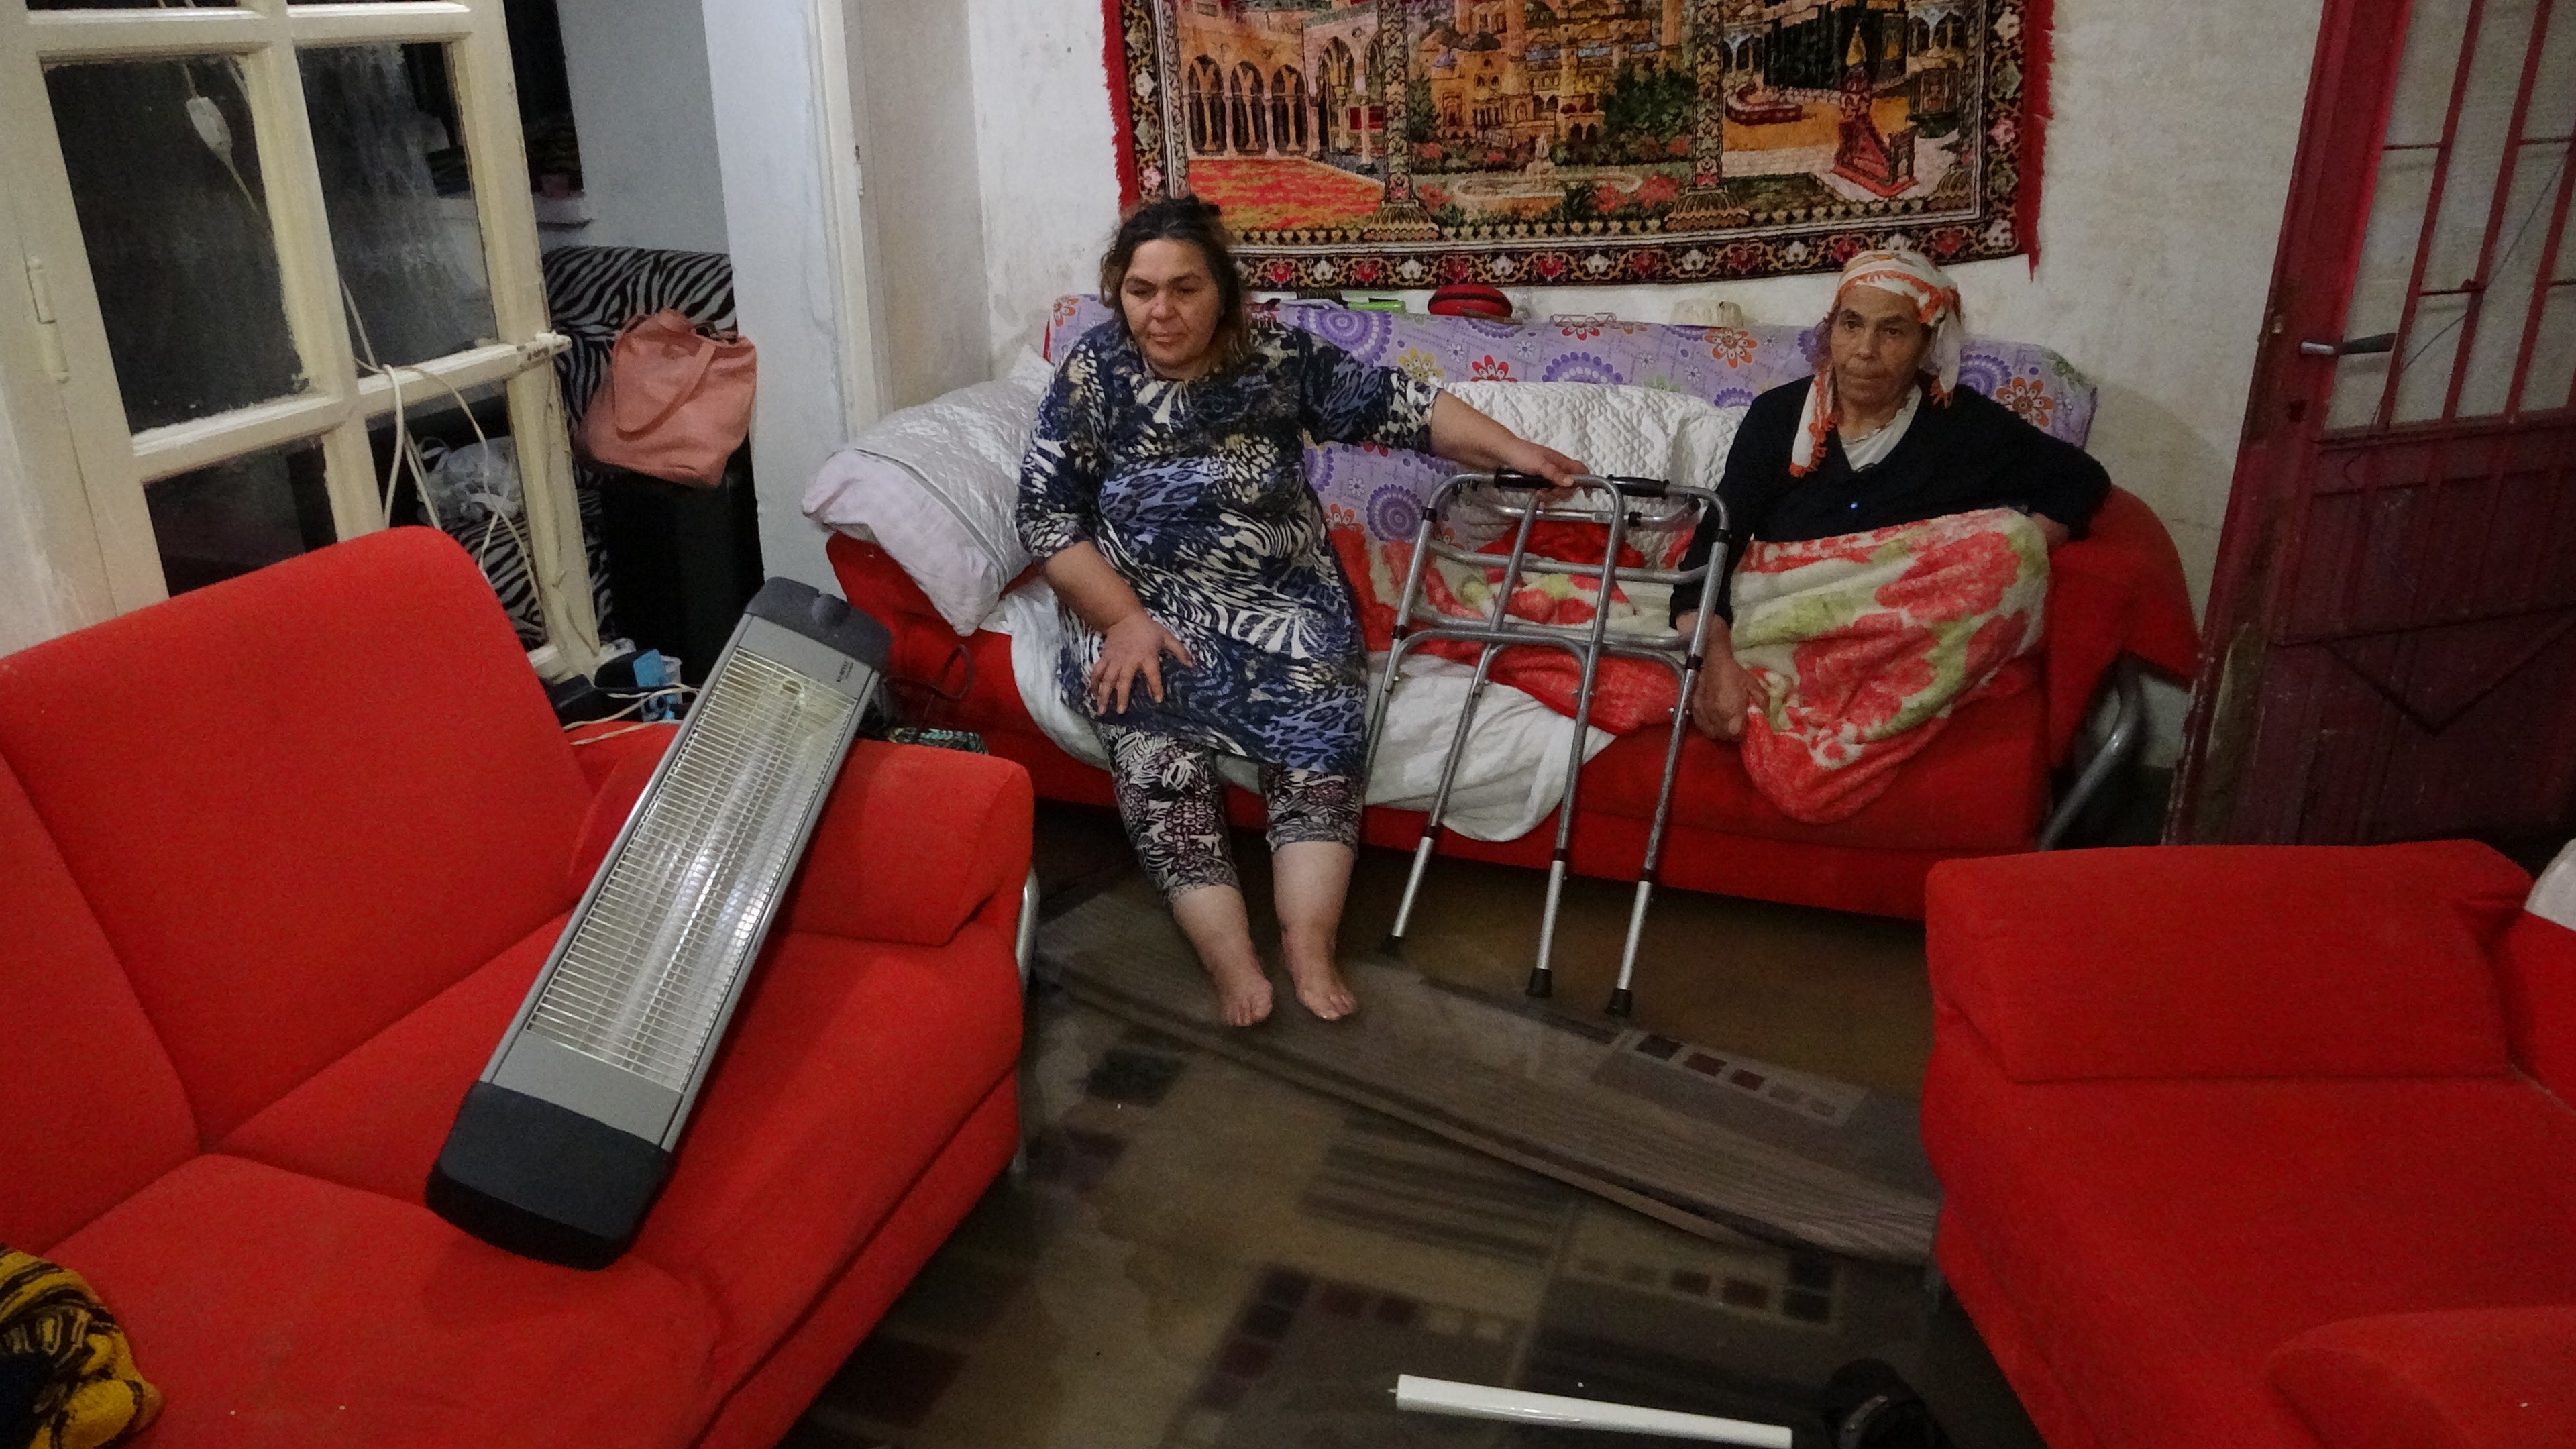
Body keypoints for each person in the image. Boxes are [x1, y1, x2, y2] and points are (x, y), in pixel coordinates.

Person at [1016, 196, 1587, 1027]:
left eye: (1184, 288)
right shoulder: (1094, 373)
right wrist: (1123, 620)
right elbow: (1046, 519)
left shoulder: (1275, 356)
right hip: (1137, 602)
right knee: (1152, 737)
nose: (1161, 312)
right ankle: (1229, 956)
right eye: (1140, 291)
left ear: (1224, 293)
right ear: (1118, 292)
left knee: (1320, 720)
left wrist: (1518, 452)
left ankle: (1308, 943)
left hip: (1282, 597)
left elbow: (1403, 406)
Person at [1668, 248, 2110, 741]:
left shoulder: (1962, 426)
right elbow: (1717, 542)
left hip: (1894, 634)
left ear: (1927, 343)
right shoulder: (1778, 417)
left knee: (2010, 538)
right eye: (1851, 324)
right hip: (1782, 614)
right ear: (1831, 331)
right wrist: (1714, 660)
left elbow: (2080, 478)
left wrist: (2012, 551)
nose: (1865, 350)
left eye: (1893, 331)